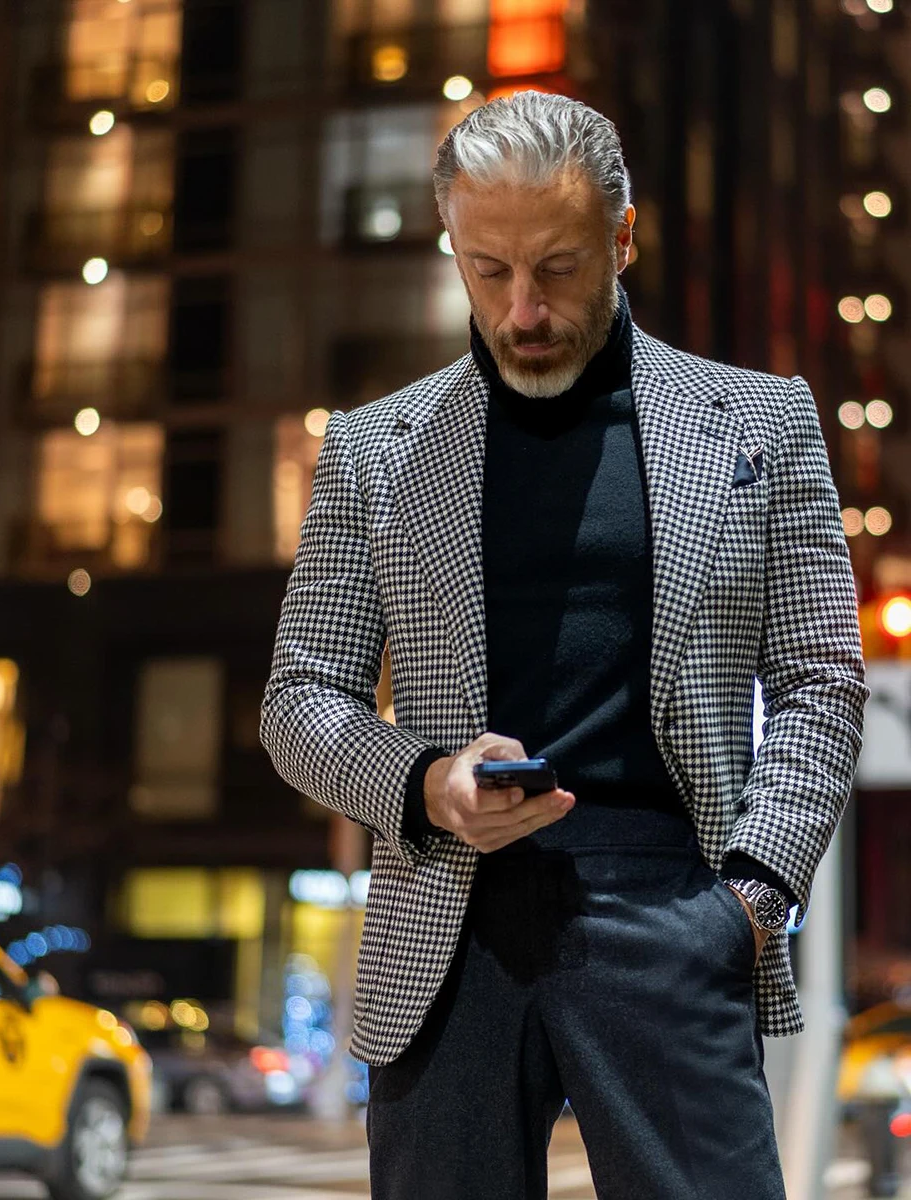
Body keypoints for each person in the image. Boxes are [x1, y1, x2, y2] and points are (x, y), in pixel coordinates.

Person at [260, 91, 867, 1199]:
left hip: (676, 909)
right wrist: (423, 781)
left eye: (559, 267)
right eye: (487, 270)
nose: (523, 308)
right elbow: (301, 694)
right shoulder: (371, 450)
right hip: (445, 919)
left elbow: (823, 680)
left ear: (623, 239)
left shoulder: (763, 425)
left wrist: (753, 896)